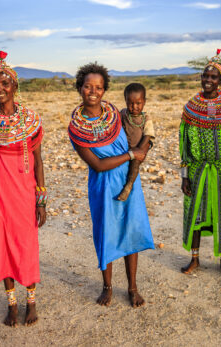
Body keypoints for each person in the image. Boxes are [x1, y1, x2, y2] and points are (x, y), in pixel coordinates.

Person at [68, 62, 154, 308]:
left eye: (99, 87)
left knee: (131, 232)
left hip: (129, 182)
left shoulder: (116, 114)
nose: (93, 91)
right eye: (88, 86)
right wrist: (131, 155)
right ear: (80, 88)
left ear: (105, 90)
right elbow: (97, 164)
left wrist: (142, 148)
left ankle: (132, 287)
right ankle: (107, 287)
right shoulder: (76, 128)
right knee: (106, 233)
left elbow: (140, 134)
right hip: (103, 185)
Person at [0, 51, 46, 326]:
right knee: (1, 249)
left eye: (5, 83)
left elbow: (38, 162)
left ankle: (32, 302)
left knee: (25, 248)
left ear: (15, 86)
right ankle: (12, 304)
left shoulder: (30, 121)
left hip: (24, 196)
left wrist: (41, 200)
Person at [179, 49, 221, 276]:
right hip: (197, 169)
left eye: (213, 77)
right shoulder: (191, 107)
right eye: (205, 76)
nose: (208, 80)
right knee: (194, 213)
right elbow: (184, 144)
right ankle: (194, 258)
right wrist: (184, 176)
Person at [117, 83, 155, 201]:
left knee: (134, 165)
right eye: (130, 103)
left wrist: (139, 149)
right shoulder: (123, 113)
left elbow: (148, 135)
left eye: (138, 103)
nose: (134, 107)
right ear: (125, 101)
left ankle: (129, 185)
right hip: (124, 148)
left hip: (138, 148)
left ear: (144, 101)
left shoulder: (146, 118)